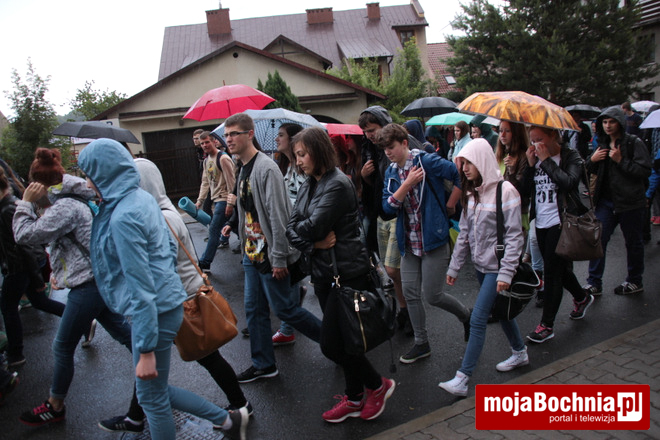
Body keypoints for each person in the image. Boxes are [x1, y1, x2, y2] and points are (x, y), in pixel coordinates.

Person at [78, 139, 247, 440]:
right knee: (152, 394)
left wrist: (144, 349)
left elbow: (141, 285)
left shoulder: (124, 216)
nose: (87, 183)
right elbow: (164, 257)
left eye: (89, 174)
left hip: (156, 311)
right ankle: (226, 419)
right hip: (167, 305)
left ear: (105, 173)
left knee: (153, 399)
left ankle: (228, 418)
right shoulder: (142, 201)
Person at [13, 148, 135, 428]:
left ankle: (55, 405)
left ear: (38, 185)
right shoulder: (71, 200)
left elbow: (24, 234)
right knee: (124, 334)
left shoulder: (66, 206)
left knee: (63, 345)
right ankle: (154, 367)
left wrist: (25, 204)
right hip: (94, 279)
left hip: (87, 284)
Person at [286, 126, 395, 423]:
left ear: (318, 151)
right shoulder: (310, 183)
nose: (299, 161)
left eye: (302, 154)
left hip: (345, 273)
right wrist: (314, 244)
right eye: (296, 155)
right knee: (346, 341)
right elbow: (290, 229)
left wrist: (308, 236)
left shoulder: (337, 184)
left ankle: (377, 385)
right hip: (323, 272)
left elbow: (311, 227)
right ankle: (355, 397)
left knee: (332, 345)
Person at [219, 113, 321, 384]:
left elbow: (278, 216)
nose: (229, 139)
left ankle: (335, 343)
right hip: (251, 253)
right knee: (254, 310)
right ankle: (263, 364)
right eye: (226, 135)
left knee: (286, 310)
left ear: (250, 134)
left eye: (234, 134)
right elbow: (247, 213)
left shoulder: (266, 168)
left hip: (269, 254)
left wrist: (278, 258)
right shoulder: (242, 167)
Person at [438, 138, 527, 396]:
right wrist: (454, 267)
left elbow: (515, 236)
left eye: (470, 162)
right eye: (462, 163)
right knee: (501, 311)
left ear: (482, 161)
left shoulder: (506, 191)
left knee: (478, 318)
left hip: (497, 268)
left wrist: (507, 272)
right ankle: (520, 351)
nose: (464, 168)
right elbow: (464, 234)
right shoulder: (471, 193)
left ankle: (463, 378)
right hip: (480, 266)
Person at [378, 124, 469, 364]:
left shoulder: (426, 162)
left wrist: (451, 203)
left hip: (433, 239)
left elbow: (459, 175)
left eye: (391, 147)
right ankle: (421, 343)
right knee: (410, 293)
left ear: (404, 143)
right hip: (409, 242)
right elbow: (387, 208)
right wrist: (407, 184)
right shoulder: (391, 172)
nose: (388, 152)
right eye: (384, 149)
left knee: (433, 295)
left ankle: (466, 316)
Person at [522, 126, 594, 343]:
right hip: (541, 222)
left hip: (561, 222)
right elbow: (524, 191)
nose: (536, 145)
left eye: (539, 139)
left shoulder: (571, 156)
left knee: (552, 273)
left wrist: (546, 161)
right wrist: (530, 166)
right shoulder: (536, 158)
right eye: (532, 140)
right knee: (559, 269)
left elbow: (569, 183)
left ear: (553, 136)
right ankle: (581, 297)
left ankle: (547, 325)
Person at [359, 106, 418, 337]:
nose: (369, 136)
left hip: (400, 214)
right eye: (365, 132)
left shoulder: (403, 142)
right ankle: (404, 309)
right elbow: (377, 186)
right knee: (390, 270)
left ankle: (411, 311)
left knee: (394, 269)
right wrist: (364, 176)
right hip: (381, 213)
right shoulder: (370, 149)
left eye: (372, 130)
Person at [0, 166, 65, 369]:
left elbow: (25, 246)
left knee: (8, 307)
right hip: (22, 265)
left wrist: (37, 280)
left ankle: (15, 353)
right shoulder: (8, 204)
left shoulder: (7, 209)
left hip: (20, 266)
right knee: (39, 302)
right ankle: (81, 319)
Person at [583, 106, 651, 295]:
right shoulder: (602, 144)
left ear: (620, 122)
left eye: (612, 121)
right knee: (598, 240)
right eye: (604, 122)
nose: (608, 126)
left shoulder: (633, 142)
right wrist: (592, 160)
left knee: (633, 242)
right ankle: (594, 282)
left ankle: (635, 280)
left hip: (630, 202)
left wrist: (621, 160)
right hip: (606, 202)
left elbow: (645, 170)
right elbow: (588, 170)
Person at [272, 122, 306, 346]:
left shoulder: (301, 168)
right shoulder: (286, 166)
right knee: (292, 279)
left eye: (281, 135)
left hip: (298, 231)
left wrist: (283, 209)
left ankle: (288, 328)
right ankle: (289, 324)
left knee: (290, 276)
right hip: (292, 229)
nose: (277, 139)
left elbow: (302, 201)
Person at [195, 131, 236, 272]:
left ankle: (205, 262)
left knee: (214, 229)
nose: (205, 145)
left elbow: (232, 183)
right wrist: (199, 201)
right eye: (202, 143)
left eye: (207, 142)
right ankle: (248, 251)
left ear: (214, 142)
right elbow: (205, 182)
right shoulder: (207, 161)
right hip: (216, 199)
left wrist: (230, 203)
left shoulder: (223, 158)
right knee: (235, 226)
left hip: (224, 199)